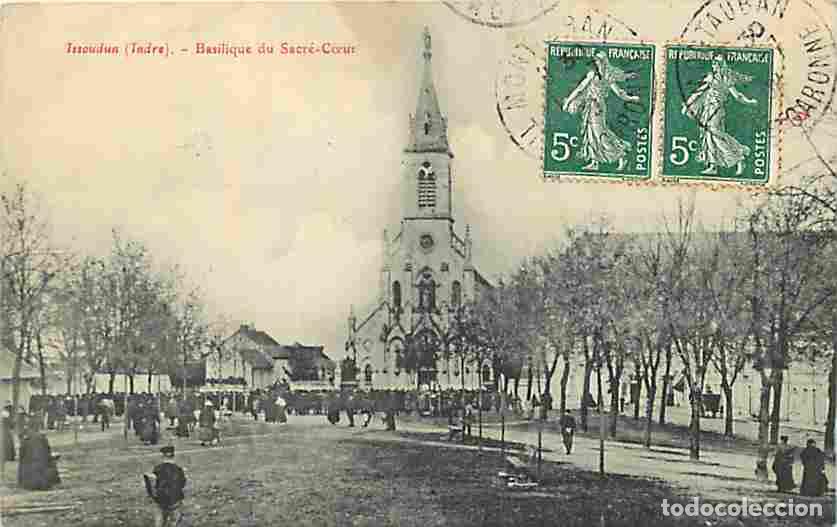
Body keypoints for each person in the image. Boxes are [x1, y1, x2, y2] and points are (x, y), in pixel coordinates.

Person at [682, 55, 758, 176]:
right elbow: (700, 92)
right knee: (709, 135)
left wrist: (748, 102)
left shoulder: (726, 78)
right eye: (713, 63)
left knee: (714, 133)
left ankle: (739, 155)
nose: (714, 65)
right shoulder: (712, 77)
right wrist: (689, 104)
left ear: (722, 64)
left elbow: (737, 95)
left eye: (717, 63)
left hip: (717, 110)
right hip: (707, 109)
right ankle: (713, 165)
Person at [145, 446, 187, 527]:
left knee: (160, 521)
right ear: (173, 456)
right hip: (175, 500)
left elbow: (152, 484)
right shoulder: (178, 469)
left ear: (162, 456)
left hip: (160, 500)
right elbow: (182, 484)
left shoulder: (157, 469)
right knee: (175, 521)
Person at [17, 425, 60, 490]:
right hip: (43, 473)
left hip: (30, 478)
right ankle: (51, 481)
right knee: (50, 462)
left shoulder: (25, 440)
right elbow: (48, 451)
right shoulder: (42, 438)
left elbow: (21, 456)